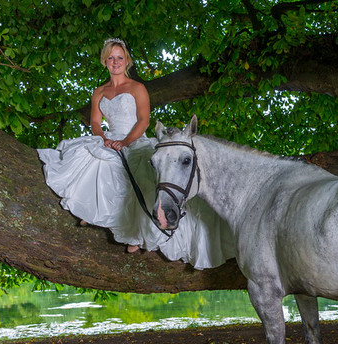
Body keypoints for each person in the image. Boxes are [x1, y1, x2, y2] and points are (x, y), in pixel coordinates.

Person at [38, 38, 235, 269]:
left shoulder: (137, 88)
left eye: (120, 57)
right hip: (110, 140)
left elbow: (144, 121)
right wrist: (105, 140)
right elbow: (95, 124)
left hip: (135, 139)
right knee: (93, 159)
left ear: (127, 60)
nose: (115, 62)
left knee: (145, 177)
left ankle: (141, 236)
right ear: (105, 61)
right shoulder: (99, 92)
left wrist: (125, 141)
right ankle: (91, 210)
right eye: (111, 58)